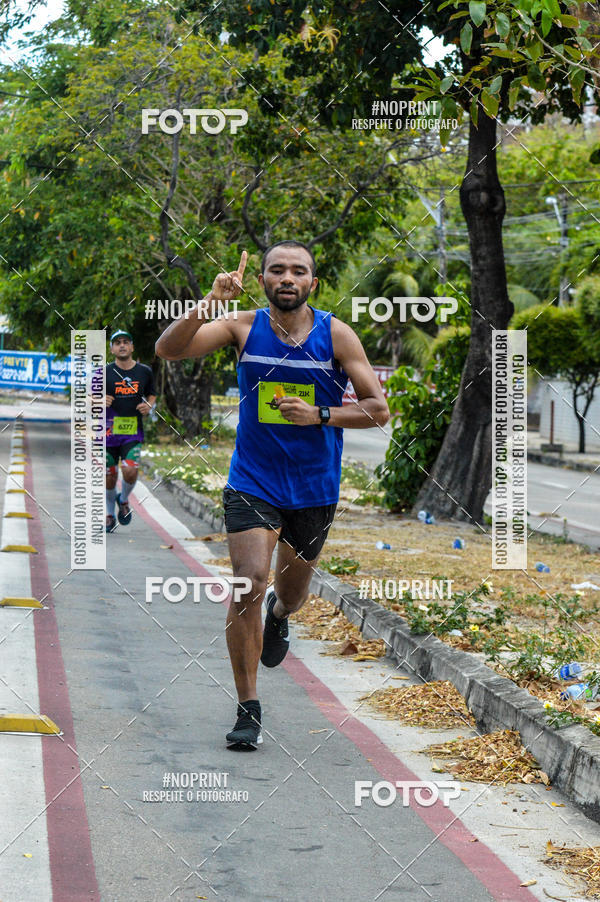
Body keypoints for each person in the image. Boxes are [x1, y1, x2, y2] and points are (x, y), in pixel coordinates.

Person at [156, 241, 389, 749]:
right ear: (261, 280)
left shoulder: (336, 334)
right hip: (252, 481)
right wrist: (209, 303)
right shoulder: (241, 326)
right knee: (248, 582)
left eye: (298, 271)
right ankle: (248, 707)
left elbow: (377, 409)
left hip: (313, 488)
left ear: (313, 283)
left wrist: (320, 415)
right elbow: (168, 350)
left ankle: (279, 617)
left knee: (291, 593)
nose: (287, 278)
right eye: (277, 270)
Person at [104, 330, 157, 532]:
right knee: (110, 475)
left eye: (126, 342)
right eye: (117, 342)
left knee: (130, 470)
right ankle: (110, 514)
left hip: (132, 431)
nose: (122, 345)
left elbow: (152, 394)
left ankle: (124, 499)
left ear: (132, 347)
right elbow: (89, 397)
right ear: (112, 349)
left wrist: (149, 405)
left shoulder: (144, 372)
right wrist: (98, 400)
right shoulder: (104, 372)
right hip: (108, 432)